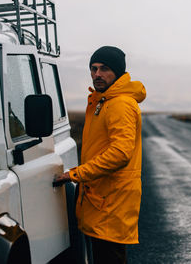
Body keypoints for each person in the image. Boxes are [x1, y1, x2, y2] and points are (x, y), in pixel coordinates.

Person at [54, 46, 146, 263]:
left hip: (111, 201)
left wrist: (77, 174)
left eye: (104, 69)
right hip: (102, 198)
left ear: (118, 72)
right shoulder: (103, 100)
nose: (97, 74)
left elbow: (120, 153)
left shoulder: (120, 104)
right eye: (93, 69)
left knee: (110, 258)